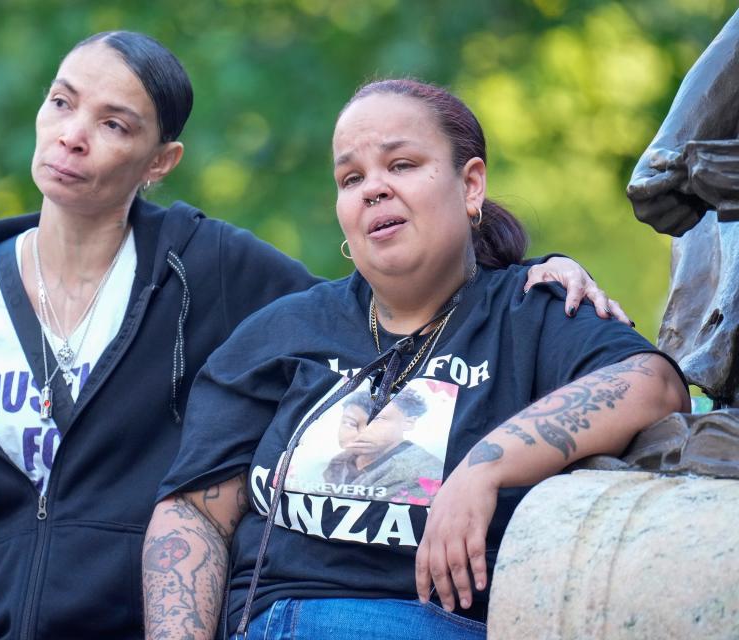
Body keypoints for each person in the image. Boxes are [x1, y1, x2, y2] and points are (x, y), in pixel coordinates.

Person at [0, 31, 627, 639]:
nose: (74, 137)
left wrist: (540, 270)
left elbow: (410, 297)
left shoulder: (216, 271)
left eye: (113, 123)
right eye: (61, 103)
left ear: (160, 162)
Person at [142, 79, 689, 640]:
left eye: (401, 164)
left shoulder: (529, 311)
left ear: (471, 183)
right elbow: (195, 514)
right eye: (351, 178)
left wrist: (485, 466)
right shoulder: (284, 330)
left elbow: (653, 384)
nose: (373, 189)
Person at [321, 388, 443, 505]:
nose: (362, 432)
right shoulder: (340, 461)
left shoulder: (422, 474)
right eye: (350, 422)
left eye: (377, 420)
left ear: (408, 422)